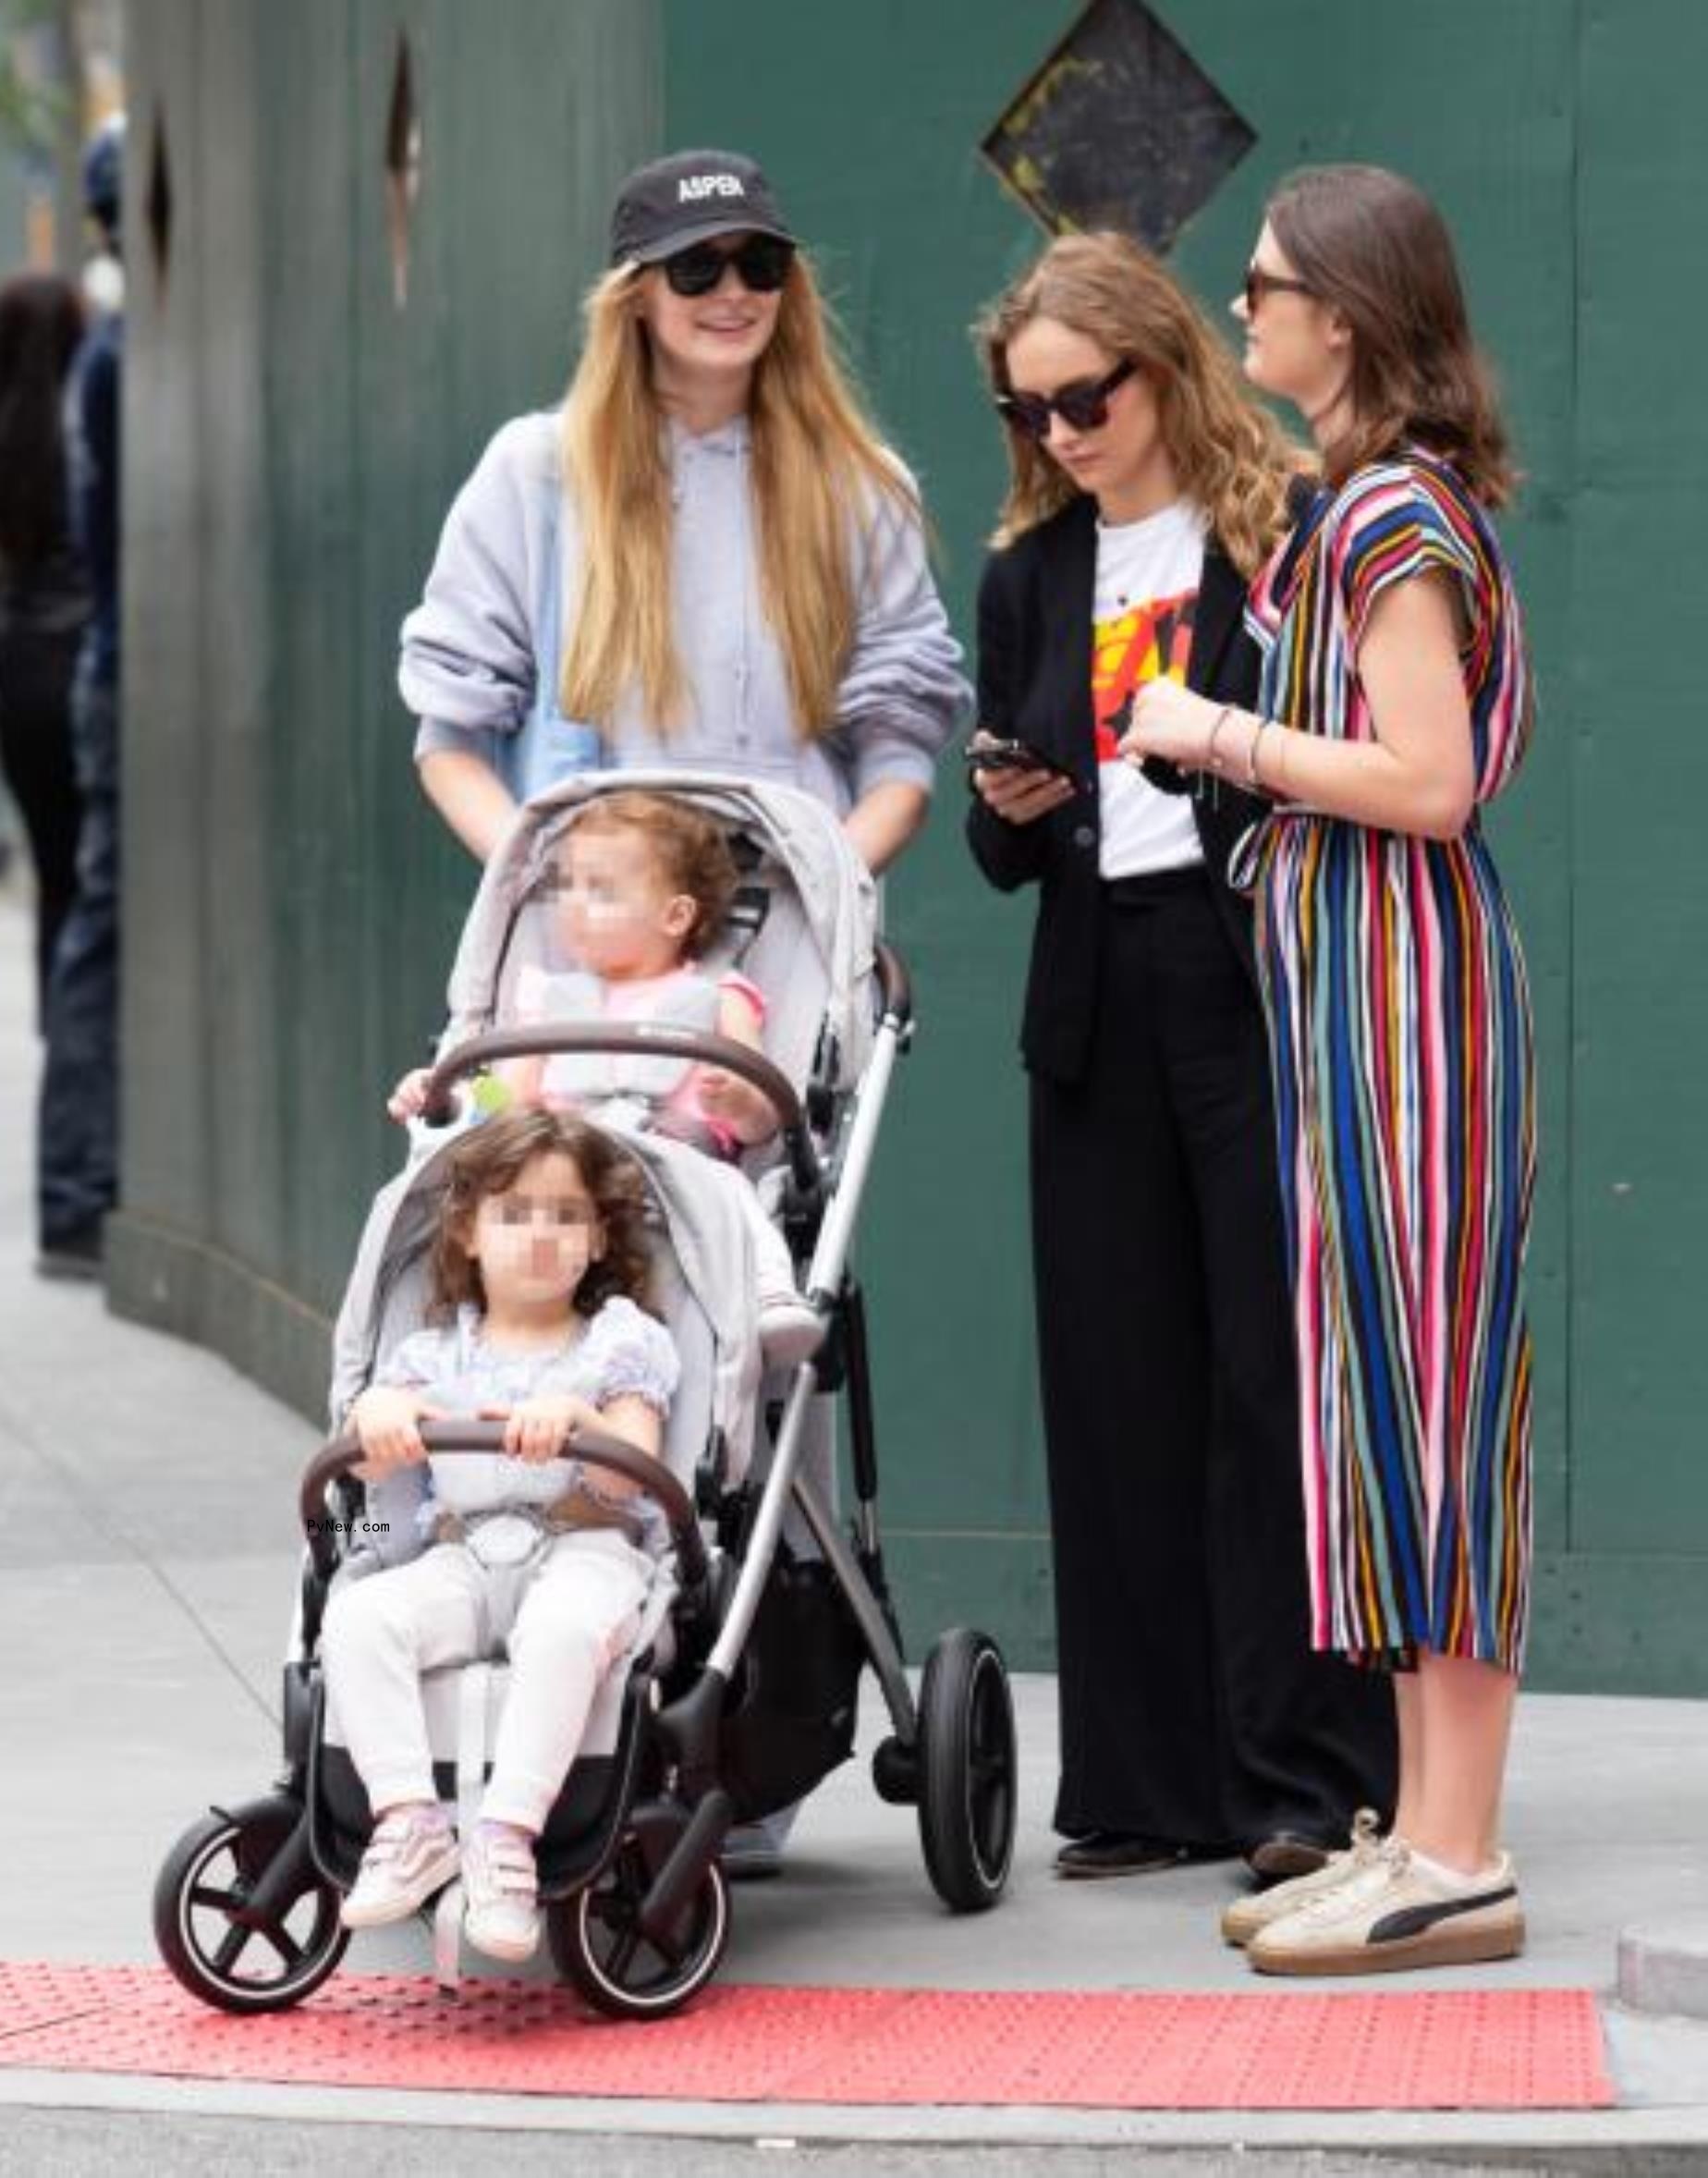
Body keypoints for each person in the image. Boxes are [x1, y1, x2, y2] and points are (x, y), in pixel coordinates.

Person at [1125, 165, 1536, 1975]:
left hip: (1410, 1015)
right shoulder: (1364, 508)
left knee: (1431, 1416)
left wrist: (1213, 728)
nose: (1243, 312)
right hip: (1362, 1006)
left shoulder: (1385, 520)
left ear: (1343, 319)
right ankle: (1431, 1838)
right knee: (1391, 1412)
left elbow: (1431, 781)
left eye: (1266, 285)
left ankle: (1458, 1849)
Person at [966, 231, 1396, 1886]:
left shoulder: (1276, 532)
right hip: (1094, 997)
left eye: (1086, 396)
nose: (1062, 432)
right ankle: (1145, 1783)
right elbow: (1013, 859)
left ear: (1161, 364)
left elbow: (1336, 759)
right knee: (1116, 1383)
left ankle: (1300, 1778)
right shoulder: (1028, 575)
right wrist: (1023, 807)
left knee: (1271, 1381)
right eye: (1030, 410)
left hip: (1250, 977)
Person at [397, 147, 970, 872]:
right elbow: (451, 733)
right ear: (634, 293)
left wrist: (828, 893)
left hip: (794, 940)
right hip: (587, 951)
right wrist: (550, 885)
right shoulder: (538, 471)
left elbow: (901, 740)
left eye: (760, 264)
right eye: (696, 267)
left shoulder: (858, 486)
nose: (734, 292)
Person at [322, 1109, 678, 1963]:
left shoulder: (620, 1342)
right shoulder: (431, 1357)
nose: (542, 1235)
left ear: (598, 1239)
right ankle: (411, 1821)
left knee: (562, 1632)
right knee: (359, 1619)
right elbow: (371, 1488)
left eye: (564, 1216)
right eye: (515, 1213)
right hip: (460, 1552)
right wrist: (376, 1418)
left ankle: (508, 1838)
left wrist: (584, 1420)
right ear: (469, 1233)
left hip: (586, 1547)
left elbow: (634, 1469)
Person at [387, 788, 820, 1361]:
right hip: (566, 1165)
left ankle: (769, 1293)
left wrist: (736, 1101)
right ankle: (445, 1325)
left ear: (675, 915)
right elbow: (510, 1103)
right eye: (566, 887)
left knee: (734, 1193)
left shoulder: (719, 997)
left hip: (675, 1159)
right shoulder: (550, 1000)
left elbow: (766, 1115)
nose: (572, 905)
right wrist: (450, 1094)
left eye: (601, 890)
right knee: (487, 1197)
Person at [0, 275, 89, 1016]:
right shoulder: (92, 430)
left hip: (22, 669)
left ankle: (60, 1031)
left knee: (54, 874)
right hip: (86, 663)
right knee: (101, 882)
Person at [35, 114, 124, 1279]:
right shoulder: (120, 356)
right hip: (121, 668)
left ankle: (78, 1179)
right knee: (104, 928)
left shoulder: (108, 350)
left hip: (110, 662)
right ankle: (75, 1187)